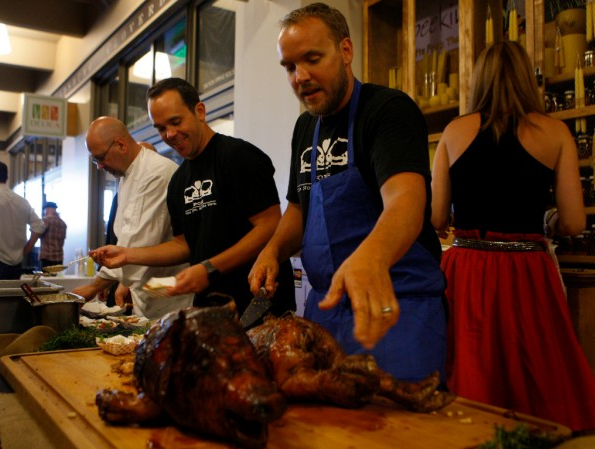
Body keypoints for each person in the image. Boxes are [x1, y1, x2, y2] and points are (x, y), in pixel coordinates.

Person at [247, 3, 446, 382]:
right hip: (325, 312)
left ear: (346, 50)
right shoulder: (305, 128)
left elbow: (406, 200)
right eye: (289, 67)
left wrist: (371, 258)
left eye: (312, 59)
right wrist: (273, 250)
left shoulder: (387, 111)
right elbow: (299, 207)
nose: (300, 77)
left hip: (395, 308)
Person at [431, 41, 595, 432]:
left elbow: (435, 217)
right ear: (526, 79)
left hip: (467, 269)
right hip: (526, 270)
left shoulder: (454, 132)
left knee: (470, 369)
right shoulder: (555, 133)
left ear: (478, 80)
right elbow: (574, 222)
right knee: (535, 372)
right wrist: (549, 222)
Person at [91, 78, 296, 319]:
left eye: (176, 122)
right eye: (161, 128)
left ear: (200, 111)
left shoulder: (238, 157)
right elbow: (183, 245)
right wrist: (127, 255)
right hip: (211, 310)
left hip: (258, 302)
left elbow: (270, 225)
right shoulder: (179, 180)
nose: (170, 134)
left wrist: (209, 268)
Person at [73, 117, 193, 319]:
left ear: (121, 145)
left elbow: (136, 244)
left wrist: (95, 286)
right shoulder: (127, 174)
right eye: (95, 161)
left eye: (100, 158)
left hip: (170, 290)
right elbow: (126, 239)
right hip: (149, 289)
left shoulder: (156, 173)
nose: (99, 166)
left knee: (168, 332)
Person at [0, 161, 46, 280]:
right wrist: (26, 250)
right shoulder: (21, 201)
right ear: (7, 177)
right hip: (17, 263)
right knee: (12, 291)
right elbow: (39, 225)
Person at [39, 202, 67, 268]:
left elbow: (37, 233)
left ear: (48, 209)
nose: (45, 212)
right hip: (59, 258)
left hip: (47, 257)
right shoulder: (63, 223)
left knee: (46, 275)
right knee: (57, 274)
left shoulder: (46, 220)